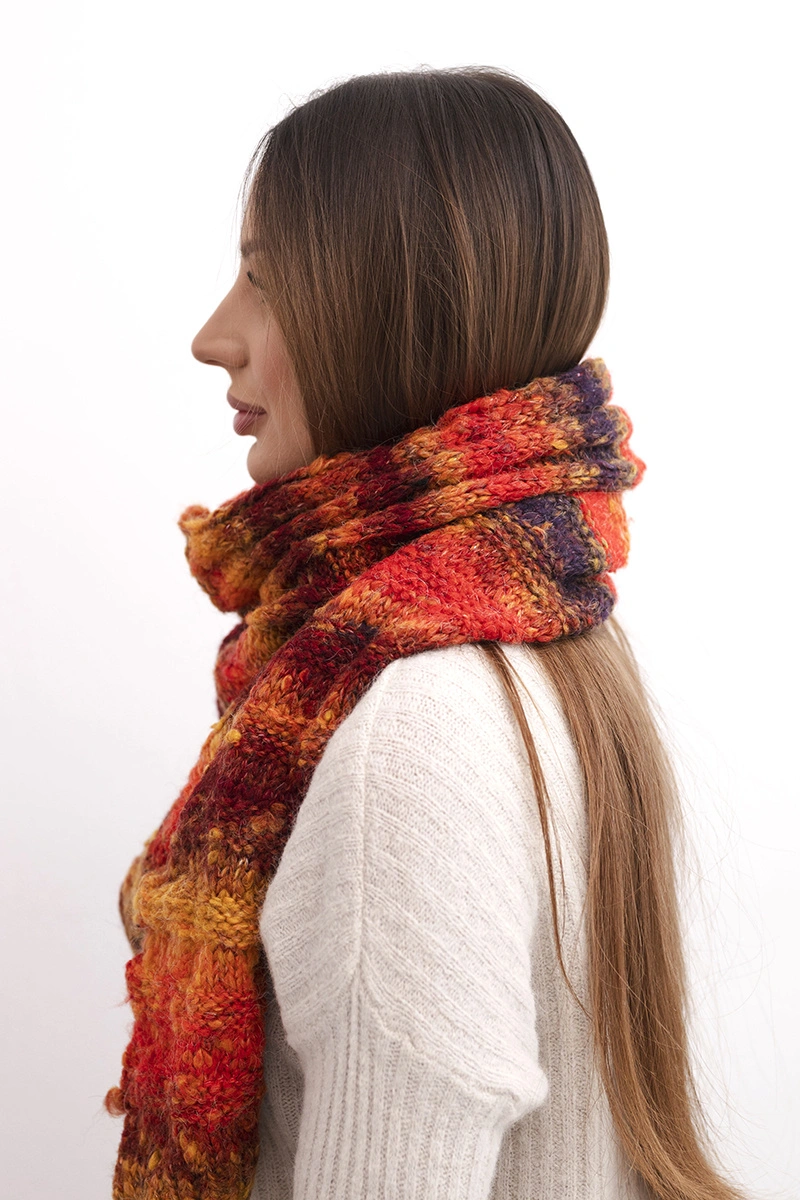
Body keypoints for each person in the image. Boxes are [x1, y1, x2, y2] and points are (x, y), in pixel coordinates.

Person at [105, 67, 744, 1200]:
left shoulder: (412, 735)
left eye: (263, 280)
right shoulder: (537, 643)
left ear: (395, 311)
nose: (213, 337)